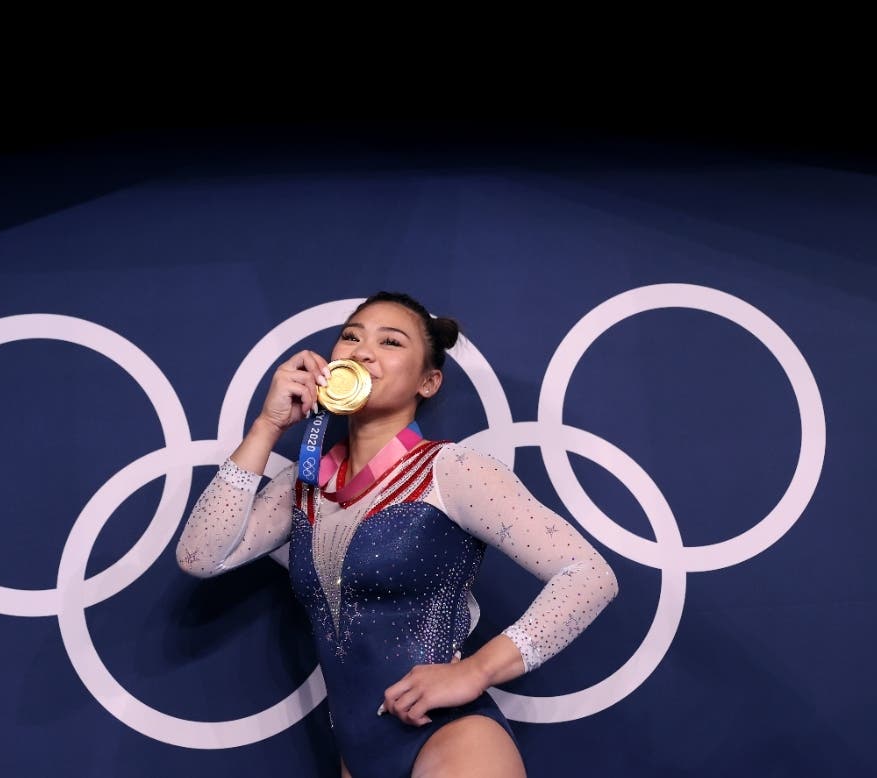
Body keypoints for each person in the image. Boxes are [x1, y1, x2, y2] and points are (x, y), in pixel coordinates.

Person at [177, 292, 619, 778]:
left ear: (428, 382)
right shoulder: (303, 484)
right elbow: (200, 556)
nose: (363, 351)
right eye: (351, 337)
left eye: (390, 342)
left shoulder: (451, 470)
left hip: (452, 741)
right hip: (356, 756)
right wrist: (268, 425)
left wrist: (477, 670)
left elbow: (589, 575)